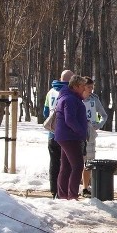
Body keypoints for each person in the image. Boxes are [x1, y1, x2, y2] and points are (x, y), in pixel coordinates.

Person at [53, 74, 90, 200]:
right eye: (82, 86)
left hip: (66, 135)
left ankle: (63, 194)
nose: (84, 89)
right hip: (69, 136)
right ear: (75, 86)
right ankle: (72, 194)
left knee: (66, 166)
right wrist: (81, 132)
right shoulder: (70, 99)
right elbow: (70, 120)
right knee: (78, 165)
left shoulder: (70, 97)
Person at [43, 69, 72, 198]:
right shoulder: (71, 92)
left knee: (54, 163)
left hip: (52, 134)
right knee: (66, 164)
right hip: (66, 135)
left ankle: (53, 190)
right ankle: (63, 191)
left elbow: (45, 112)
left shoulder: (51, 92)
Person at [81, 77, 107, 197]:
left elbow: (104, 115)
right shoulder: (78, 99)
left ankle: (86, 187)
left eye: (92, 87)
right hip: (78, 133)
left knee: (89, 162)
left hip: (90, 134)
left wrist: (98, 125)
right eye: (88, 87)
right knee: (77, 161)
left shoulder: (94, 100)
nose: (91, 90)